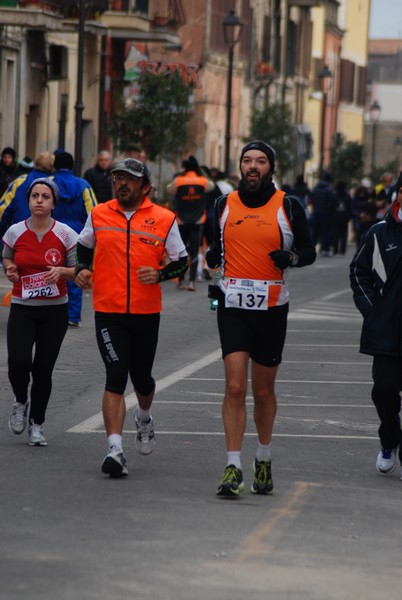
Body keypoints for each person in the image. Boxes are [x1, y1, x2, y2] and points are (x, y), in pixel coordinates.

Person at [206, 140, 316, 497]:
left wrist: (292, 258)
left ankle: (263, 458)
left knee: (264, 390)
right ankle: (233, 466)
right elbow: (214, 246)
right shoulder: (223, 204)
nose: (253, 166)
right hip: (233, 304)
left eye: (260, 161)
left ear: (271, 167)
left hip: (271, 307)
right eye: (247, 160)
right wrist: (212, 259)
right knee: (235, 387)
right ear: (240, 166)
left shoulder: (288, 205)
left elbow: (309, 250)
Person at [74, 158, 188, 478]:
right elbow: (83, 247)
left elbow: (182, 260)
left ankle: (145, 417)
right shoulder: (99, 213)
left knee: (142, 379)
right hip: (108, 309)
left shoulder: (164, 218)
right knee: (115, 374)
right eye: (118, 178)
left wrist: (162, 273)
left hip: (145, 311)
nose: (122, 183)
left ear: (144, 185)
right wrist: (83, 269)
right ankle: (115, 449)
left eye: (129, 178)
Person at [2, 178, 78, 446]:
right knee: (18, 362)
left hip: (54, 311)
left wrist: (62, 272)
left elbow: (80, 271)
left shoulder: (67, 234)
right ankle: (20, 400)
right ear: (29, 200)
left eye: (46, 196)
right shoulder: (14, 232)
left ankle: (37, 424)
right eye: (35, 195)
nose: (39, 200)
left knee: (43, 370)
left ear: (54, 203)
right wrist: (10, 269)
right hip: (23, 307)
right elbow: (8, 257)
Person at [350, 171, 402, 478]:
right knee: (383, 391)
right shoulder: (379, 232)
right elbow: (359, 272)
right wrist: (372, 311)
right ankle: (389, 440)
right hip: (386, 331)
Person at [53, 151, 97, 327]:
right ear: (72, 166)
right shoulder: (84, 185)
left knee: (54, 271)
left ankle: (53, 313)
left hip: (53, 232)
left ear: (55, 165)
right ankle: (73, 315)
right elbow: (93, 211)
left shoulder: (49, 183)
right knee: (75, 272)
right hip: (77, 235)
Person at [166, 155, 214, 291]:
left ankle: (181, 280)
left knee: (181, 251)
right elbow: (211, 186)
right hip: (197, 220)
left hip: (181, 220)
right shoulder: (203, 181)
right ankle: (191, 281)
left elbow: (169, 189)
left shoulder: (179, 181)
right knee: (194, 250)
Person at [0, 151, 55, 235]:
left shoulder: (19, 182)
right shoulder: (55, 184)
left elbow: (3, 210)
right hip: (49, 235)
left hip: (19, 233)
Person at [309, 171, 336, 256]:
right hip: (326, 213)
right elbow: (332, 202)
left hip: (316, 212)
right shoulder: (329, 189)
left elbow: (311, 199)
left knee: (315, 231)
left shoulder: (316, 188)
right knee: (325, 231)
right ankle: (325, 249)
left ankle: (311, 248)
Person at [331, 180, 352, 255]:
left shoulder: (334, 195)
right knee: (344, 234)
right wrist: (349, 216)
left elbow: (331, 207)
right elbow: (350, 207)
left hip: (335, 217)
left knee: (335, 234)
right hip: (344, 217)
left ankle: (335, 249)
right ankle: (342, 250)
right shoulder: (347, 196)